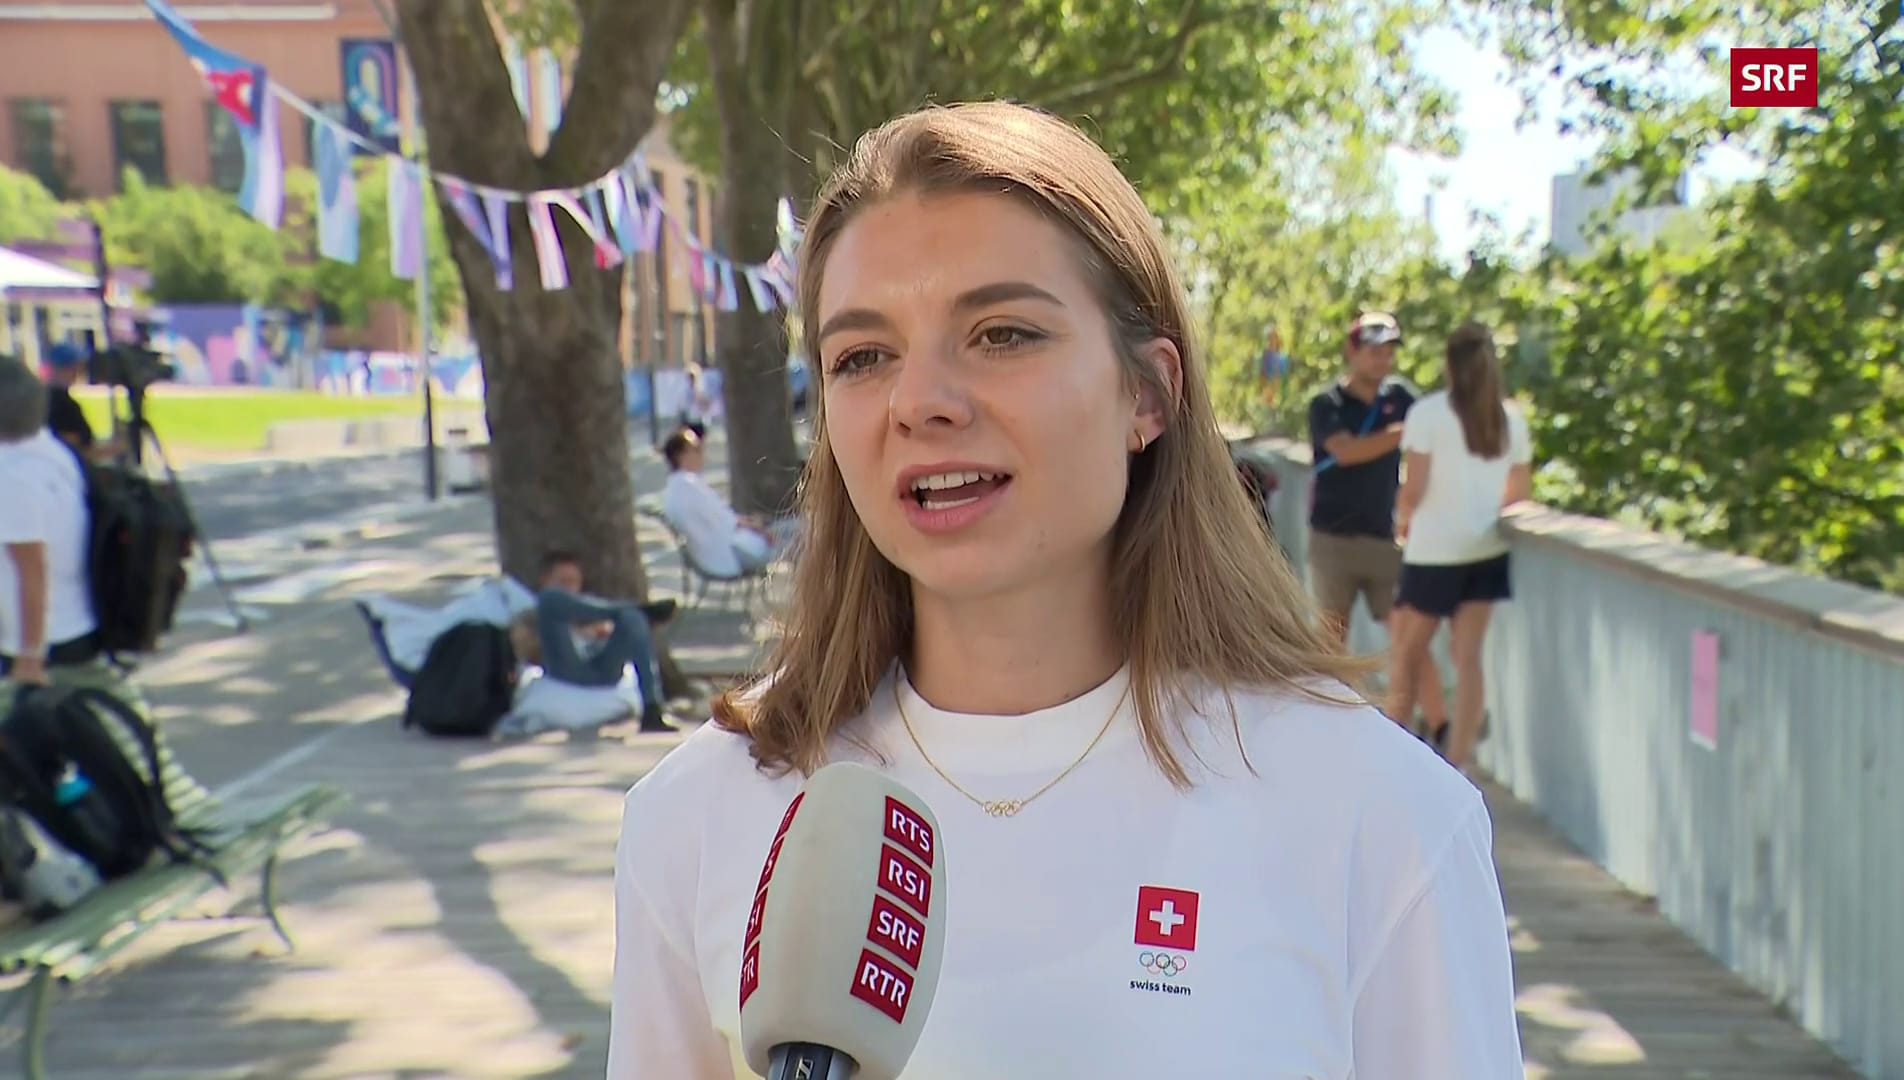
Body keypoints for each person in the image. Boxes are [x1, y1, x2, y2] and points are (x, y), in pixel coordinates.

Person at [606, 102, 1521, 1078]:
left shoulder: (1378, 816)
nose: (921, 403)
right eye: (862, 356)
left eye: (1002, 334)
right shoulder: (699, 816)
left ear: (1149, 394)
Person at [1385, 323, 1533, 770]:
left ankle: (1395, 752)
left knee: (1407, 651)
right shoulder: (1509, 419)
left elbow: (1415, 487)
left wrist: (1402, 519)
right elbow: (1519, 491)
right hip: (1486, 549)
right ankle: (1460, 761)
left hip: (1433, 552)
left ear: (1450, 364)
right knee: (1469, 659)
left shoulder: (1428, 414)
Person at [1306, 311, 1448, 740]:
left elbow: (1439, 432)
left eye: (1388, 350)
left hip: (1384, 539)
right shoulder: (1326, 404)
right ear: (1352, 352)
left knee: (1409, 640)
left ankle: (1433, 730)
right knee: (1332, 642)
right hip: (1333, 539)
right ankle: (1330, 729)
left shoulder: (1403, 396)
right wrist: (1404, 432)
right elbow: (1346, 452)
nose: (1382, 358)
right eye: (1373, 350)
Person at [0, 353, 100, 684]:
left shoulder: (12, 477)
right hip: (75, 622)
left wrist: (30, 657)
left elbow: (32, 570)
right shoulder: (52, 451)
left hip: (41, 643)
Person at [528, 552, 679, 734]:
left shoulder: (589, 606)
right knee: (551, 599)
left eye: (573, 582)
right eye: (563, 582)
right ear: (545, 580)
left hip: (604, 669)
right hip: (565, 669)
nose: (569, 588)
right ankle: (636, 608)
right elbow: (526, 650)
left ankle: (652, 709)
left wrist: (600, 633)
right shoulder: (537, 606)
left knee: (633, 618)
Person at [659, 428, 797, 576]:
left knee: (791, 530)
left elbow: (719, 517)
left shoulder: (675, 489)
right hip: (732, 553)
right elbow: (727, 521)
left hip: (723, 551)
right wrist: (758, 528)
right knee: (796, 530)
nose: (702, 454)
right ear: (683, 454)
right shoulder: (687, 485)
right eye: (697, 449)